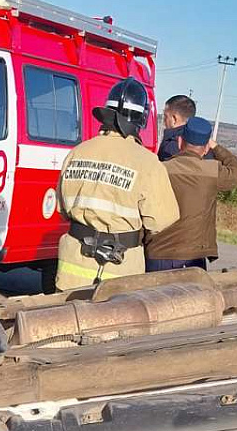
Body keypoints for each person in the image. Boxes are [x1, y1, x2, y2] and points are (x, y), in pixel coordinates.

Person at [52, 78, 179, 291]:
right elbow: (160, 220)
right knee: (116, 323)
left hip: (72, 266)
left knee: (67, 321)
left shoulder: (77, 152)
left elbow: (62, 209)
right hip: (120, 270)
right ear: (142, 118)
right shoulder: (147, 162)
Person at [146, 117, 237, 273]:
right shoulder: (212, 172)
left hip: (157, 254)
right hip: (192, 257)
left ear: (180, 142)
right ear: (206, 149)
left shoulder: (159, 169)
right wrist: (216, 146)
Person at [158, 94, 196, 162]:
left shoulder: (171, 146)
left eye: (166, 116)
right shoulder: (201, 145)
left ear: (174, 119)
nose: (164, 121)